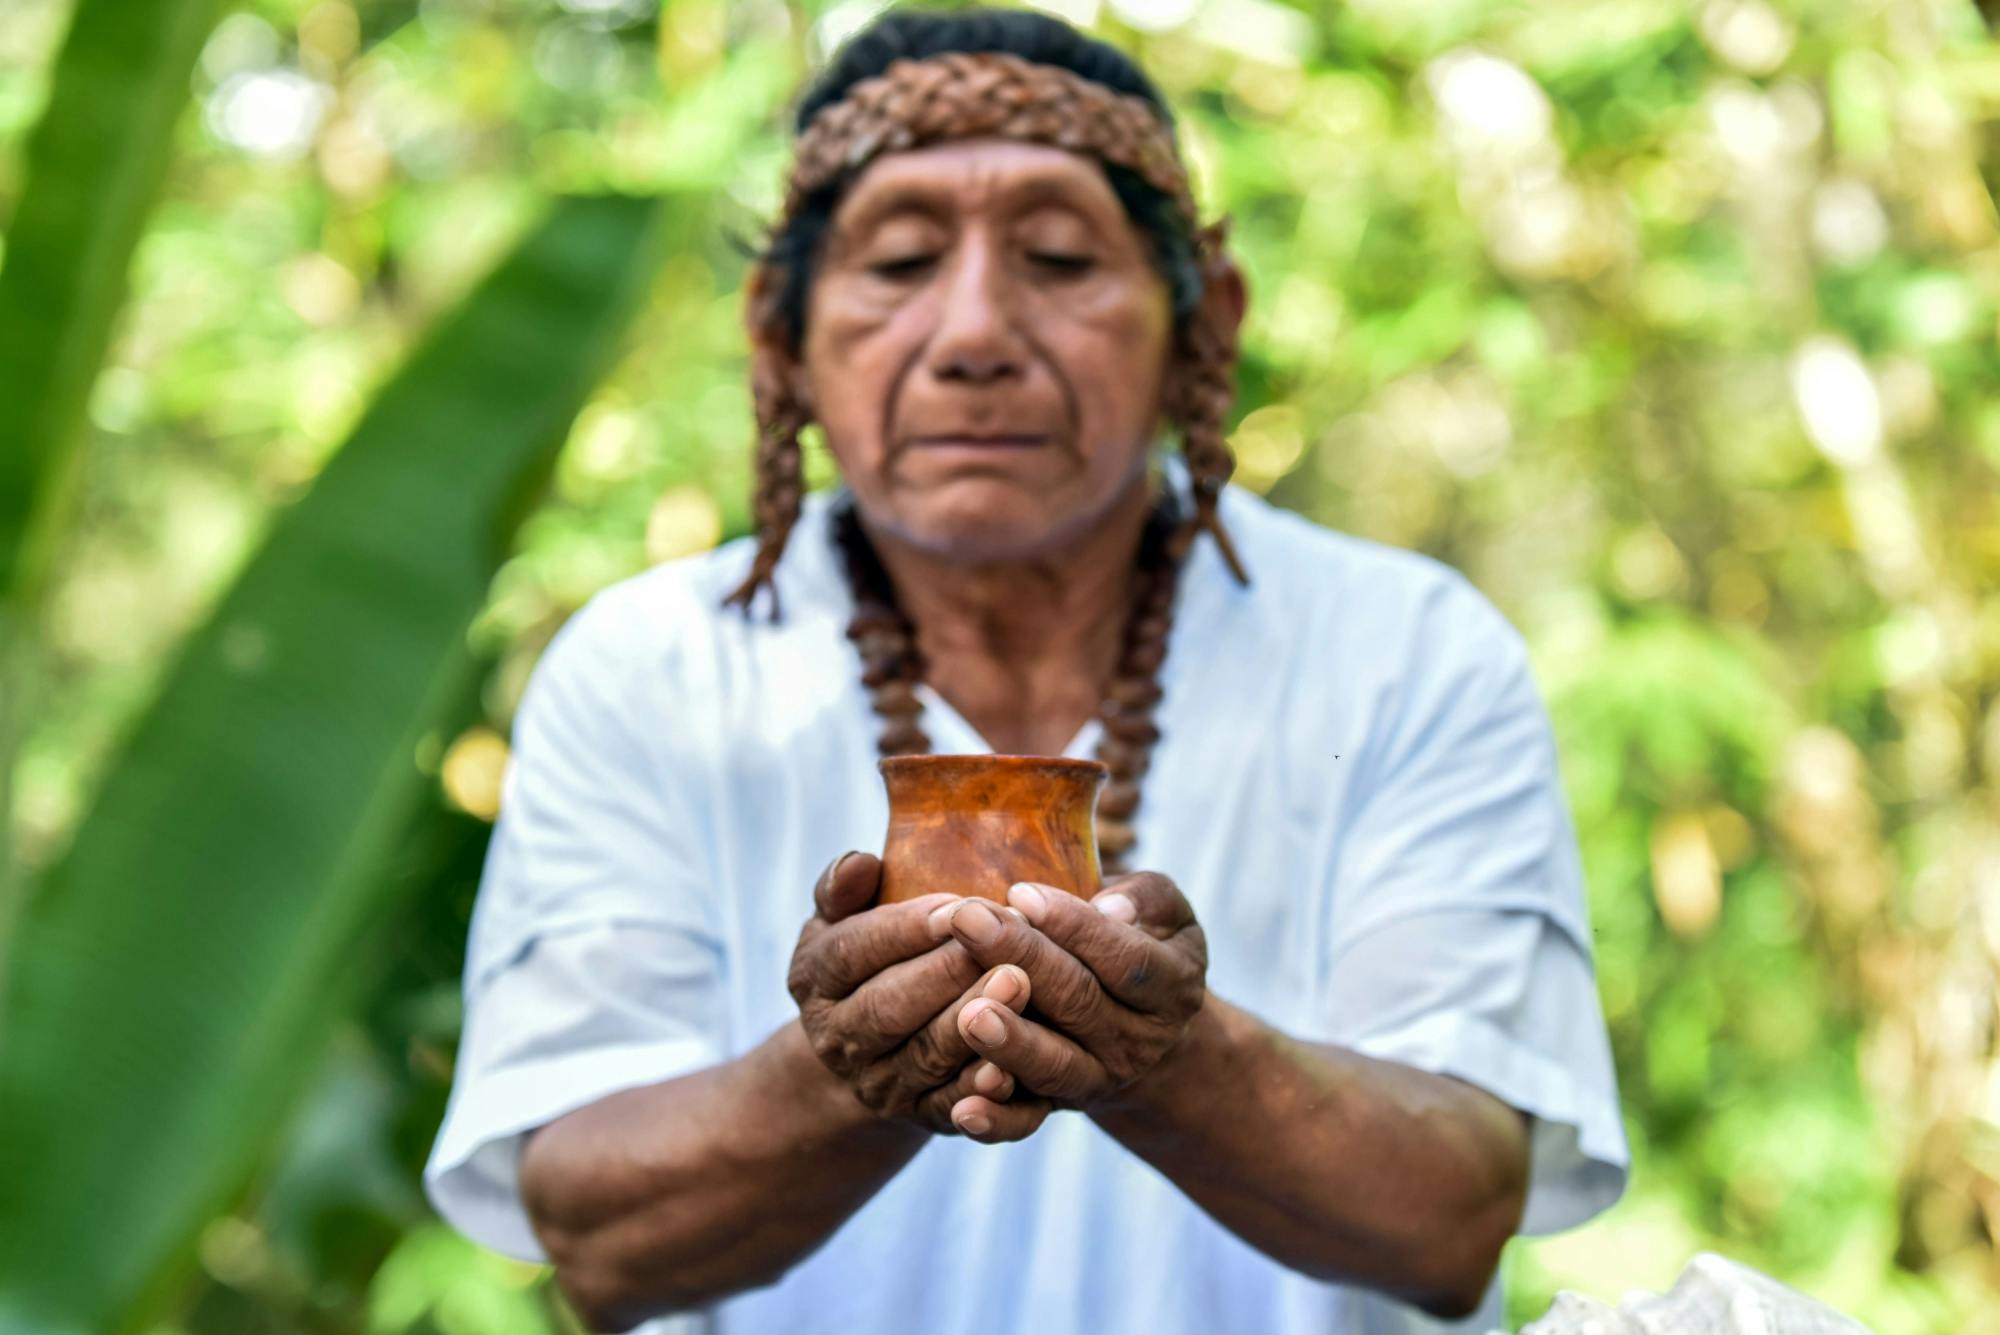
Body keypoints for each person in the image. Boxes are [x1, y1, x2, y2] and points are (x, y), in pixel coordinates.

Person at [424, 9, 1628, 1333]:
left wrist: (1170, 1056)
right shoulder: (647, 671)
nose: (975, 333)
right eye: (899, 262)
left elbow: (1452, 1218)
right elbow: (598, 1242)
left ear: (1202, 323)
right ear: (783, 335)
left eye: (1059, 258)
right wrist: (841, 1073)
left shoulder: (1406, 653)